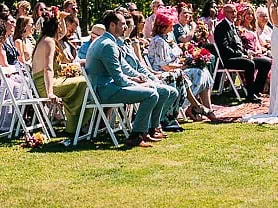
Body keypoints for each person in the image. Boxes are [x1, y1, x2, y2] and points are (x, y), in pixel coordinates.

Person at [84, 10, 164, 148]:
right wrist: (138, 84)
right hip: (105, 92)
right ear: (112, 26)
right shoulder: (108, 45)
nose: (126, 27)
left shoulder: (104, 41)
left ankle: (142, 133)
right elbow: (119, 79)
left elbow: (116, 74)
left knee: (151, 91)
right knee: (151, 94)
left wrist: (135, 80)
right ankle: (136, 136)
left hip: (104, 88)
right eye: (122, 24)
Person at [147, 10, 218, 121]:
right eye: (171, 25)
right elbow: (164, 66)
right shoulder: (158, 41)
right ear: (164, 27)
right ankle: (191, 106)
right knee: (198, 73)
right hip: (164, 72)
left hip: (176, 67)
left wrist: (190, 59)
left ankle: (204, 107)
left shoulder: (167, 38)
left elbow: (176, 57)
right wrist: (183, 66)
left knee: (204, 70)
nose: (173, 27)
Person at [118, 13, 182, 133]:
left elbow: (139, 65)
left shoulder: (127, 43)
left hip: (142, 77)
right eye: (126, 25)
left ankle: (156, 122)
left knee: (172, 90)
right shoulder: (115, 45)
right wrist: (140, 78)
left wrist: (151, 77)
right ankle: (145, 128)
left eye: (130, 25)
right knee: (159, 90)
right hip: (126, 83)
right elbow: (123, 71)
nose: (129, 28)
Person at [30, 14, 86, 137]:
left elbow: (63, 33)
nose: (63, 28)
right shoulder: (49, 41)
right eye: (61, 24)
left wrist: (60, 16)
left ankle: (76, 124)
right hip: (45, 84)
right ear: (56, 27)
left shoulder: (47, 38)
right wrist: (50, 92)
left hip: (50, 80)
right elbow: (48, 68)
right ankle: (75, 125)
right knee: (84, 83)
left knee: (81, 80)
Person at [213, 3, 270, 102]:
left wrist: (248, 52)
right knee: (249, 63)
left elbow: (239, 44)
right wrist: (241, 55)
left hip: (240, 56)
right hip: (229, 59)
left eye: (235, 11)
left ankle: (256, 90)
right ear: (225, 13)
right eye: (231, 12)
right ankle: (250, 94)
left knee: (266, 63)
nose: (234, 14)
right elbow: (224, 48)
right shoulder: (221, 27)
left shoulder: (233, 26)